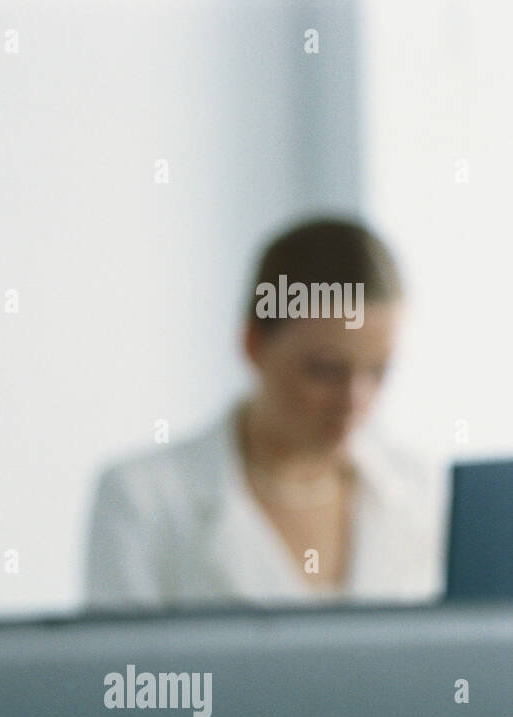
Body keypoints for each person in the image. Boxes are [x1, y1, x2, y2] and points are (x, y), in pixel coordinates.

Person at [83, 217, 446, 612]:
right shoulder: (143, 500)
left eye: (378, 370)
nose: (355, 400)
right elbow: (126, 672)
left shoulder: (425, 492)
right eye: (325, 370)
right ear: (253, 344)